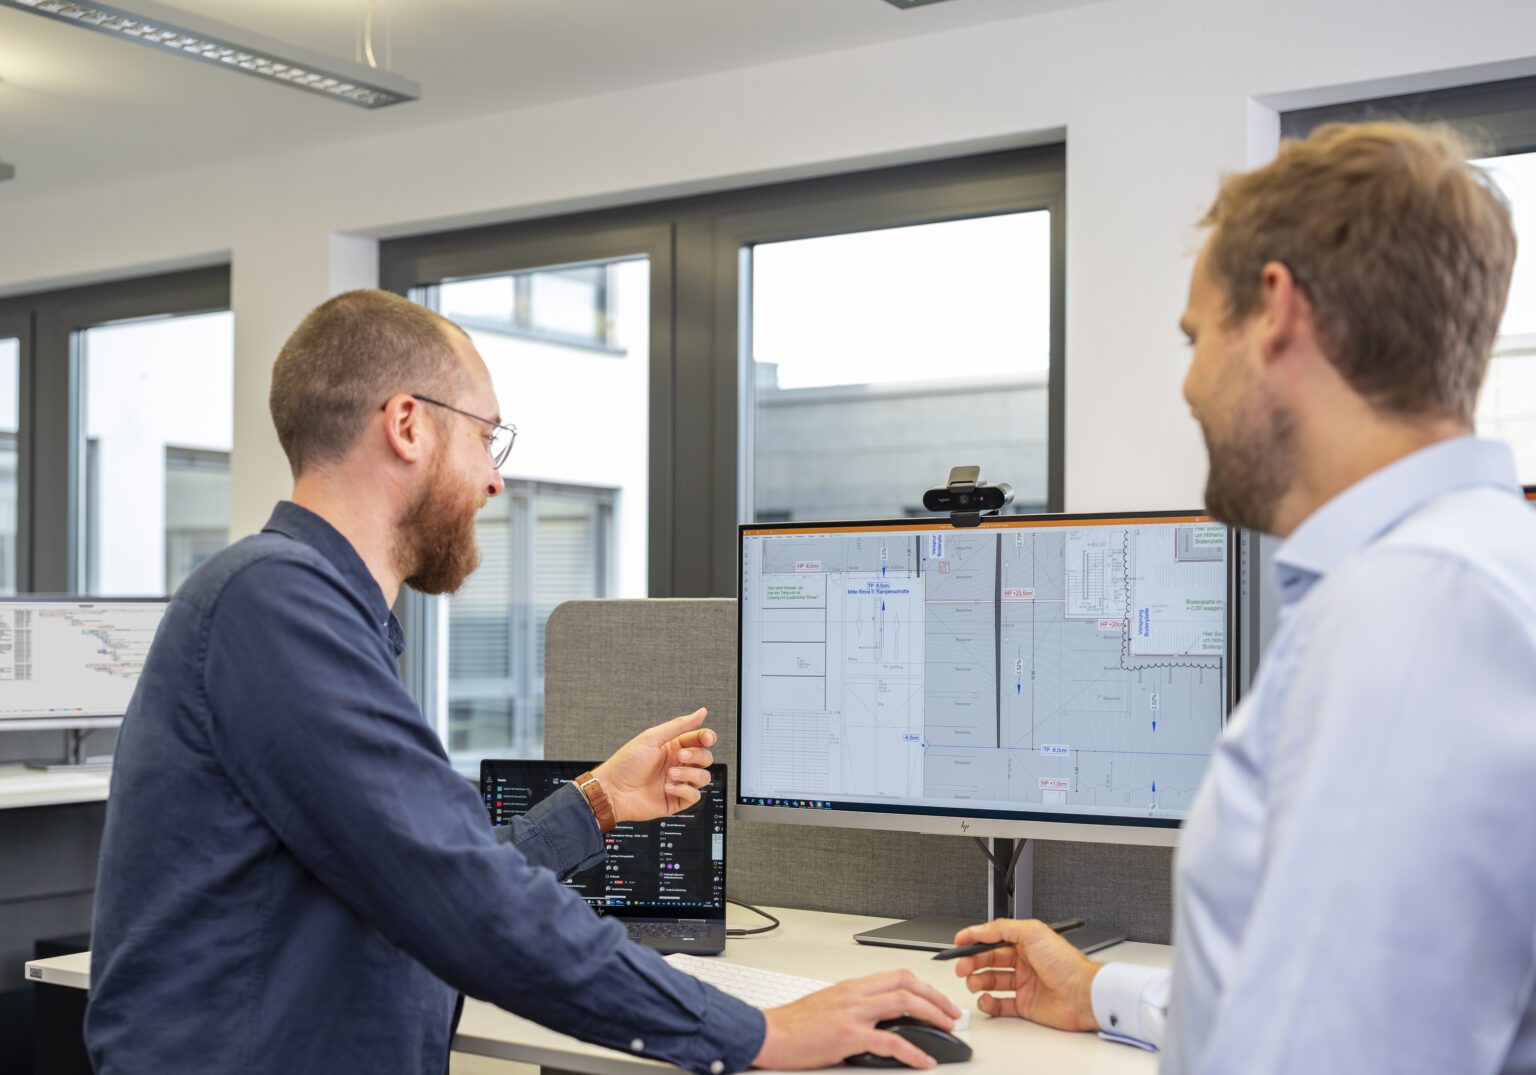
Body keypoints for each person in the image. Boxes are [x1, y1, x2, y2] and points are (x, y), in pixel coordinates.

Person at [86, 289, 960, 1074]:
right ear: (407, 424)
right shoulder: (271, 603)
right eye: (485, 434)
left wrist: (598, 801)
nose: (497, 476)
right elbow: (454, 896)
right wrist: (759, 1034)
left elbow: (414, 867)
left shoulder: (296, 606)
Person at [951, 122, 1536, 1072]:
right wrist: (1104, 991)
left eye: (1194, 336)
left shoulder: (1415, 619)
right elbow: (1337, 986)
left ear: (1275, 310)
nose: (1187, 382)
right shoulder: (1466, 574)